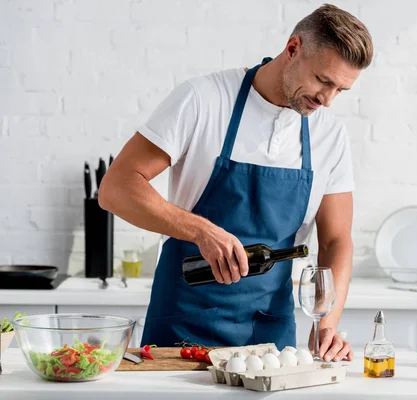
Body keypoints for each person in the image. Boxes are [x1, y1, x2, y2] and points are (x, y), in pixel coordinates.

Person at [98, 3, 373, 363]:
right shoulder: (204, 100)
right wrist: (201, 231)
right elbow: (116, 187)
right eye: (323, 80)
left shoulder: (329, 135)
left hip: (269, 339)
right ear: (293, 49)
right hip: (183, 324)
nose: (327, 100)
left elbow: (337, 240)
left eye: (340, 90)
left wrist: (326, 322)